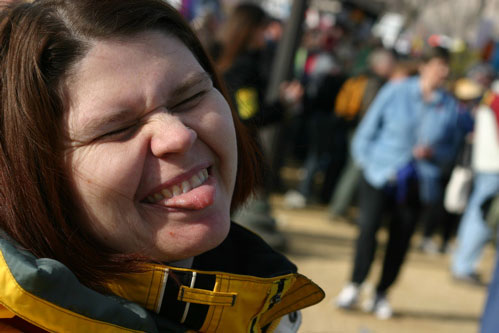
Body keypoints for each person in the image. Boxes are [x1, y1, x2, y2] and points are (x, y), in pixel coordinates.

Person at [0, 1, 324, 332]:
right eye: (117, 128)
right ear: (33, 171)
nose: (178, 135)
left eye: (191, 97)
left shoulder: (258, 298)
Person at [335, 46, 461, 319]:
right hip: (380, 174)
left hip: (419, 181)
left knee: (401, 239)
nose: (444, 72)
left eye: (446, 67)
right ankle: (355, 285)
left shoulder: (449, 105)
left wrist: (435, 154)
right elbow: (367, 130)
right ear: (425, 66)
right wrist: (367, 163)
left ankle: (381, 292)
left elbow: (452, 149)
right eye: (440, 65)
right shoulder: (397, 91)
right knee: (367, 230)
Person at [214, 3, 302, 249]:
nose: (268, 34)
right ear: (251, 30)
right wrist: (285, 104)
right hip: (239, 149)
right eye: (264, 28)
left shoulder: (219, 55)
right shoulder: (244, 66)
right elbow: (250, 116)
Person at [452, 81, 499, 285]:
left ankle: (463, 263)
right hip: (493, 165)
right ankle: (464, 265)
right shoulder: (496, 96)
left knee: (478, 212)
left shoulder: (493, 93)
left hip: (489, 163)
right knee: (482, 213)